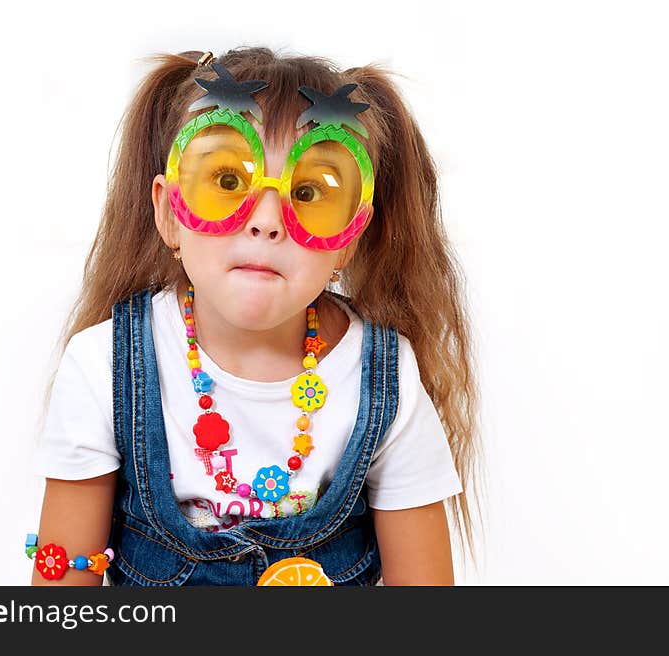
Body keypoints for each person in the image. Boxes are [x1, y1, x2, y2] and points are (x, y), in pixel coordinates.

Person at [28, 47, 481, 586]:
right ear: (171, 214)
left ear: (349, 239)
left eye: (309, 193)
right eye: (226, 183)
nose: (267, 221)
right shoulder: (103, 366)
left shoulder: (383, 378)